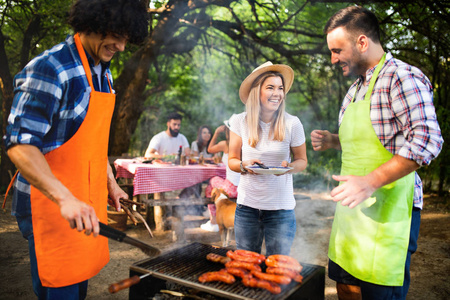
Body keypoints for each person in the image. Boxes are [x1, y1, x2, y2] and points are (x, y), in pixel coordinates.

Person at [2, 0, 148, 299]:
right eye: (117, 35)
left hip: (85, 204)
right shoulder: (50, 67)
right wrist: (65, 198)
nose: (121, 47)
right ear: (93, 22)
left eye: (126, 39)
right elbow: (20, 146)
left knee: (78, 287)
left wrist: (110, 182)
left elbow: (91, 143)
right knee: (61, 288)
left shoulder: (101, 72)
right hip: (52, 205)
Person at [311, 6, 443, 300]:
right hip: (351, 212)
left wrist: (370, 181)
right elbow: (371, 139)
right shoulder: (354, 90)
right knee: (346, 288)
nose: (332, 59)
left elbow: (427, 140)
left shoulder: (401, 77)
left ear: (361, 42)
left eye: (336, 50)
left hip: (389, 212)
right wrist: (333, 140)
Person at [228, 61, 308, 256]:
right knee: (246, 265)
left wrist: (289, 167)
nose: (277, 93)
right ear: (257, 91)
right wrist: (243, 165)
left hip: (281, 210)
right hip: (247, 208)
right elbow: (231, 160)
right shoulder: (239, 121)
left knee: (277, 267)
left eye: (280, 88)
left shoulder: (292, 123)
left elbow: (302, 161)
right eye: (270, 87)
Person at [201, 119, 241, 232]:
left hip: (232, 189)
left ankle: (214, 220)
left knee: (211, 184)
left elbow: (210, 149)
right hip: (243, 188)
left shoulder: (226, 144)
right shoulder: (245, 144)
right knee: (218, 181)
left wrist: (217, 132)